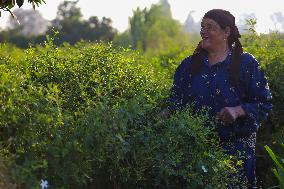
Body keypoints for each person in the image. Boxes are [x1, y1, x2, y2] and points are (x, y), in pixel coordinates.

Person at [167, 9, 273, 188]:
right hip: (195, 155)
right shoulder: (189, 66)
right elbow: (174, 101)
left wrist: (238, 111)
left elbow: (264, 102)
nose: (203, 32)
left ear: (226, 32)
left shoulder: (246, 64)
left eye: (210, 27)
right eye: (202, 27)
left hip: (236, 159)